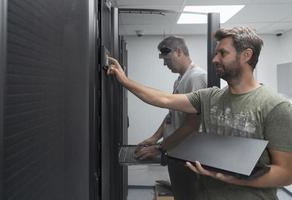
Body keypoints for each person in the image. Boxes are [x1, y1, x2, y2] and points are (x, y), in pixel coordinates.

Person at [107, 26, 292, 199]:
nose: (215, 59)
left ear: (246, 55)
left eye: (223, 53)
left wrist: (232, 178)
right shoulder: (210, 97)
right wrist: (124, 80)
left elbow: (286, 173)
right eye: (216, 53)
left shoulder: (275, 106)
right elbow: (163, 100)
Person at [133, 36, 207, 200]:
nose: (165, 64)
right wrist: (154, 138)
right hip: (176, 152)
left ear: (179, 52)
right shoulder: (180, 80)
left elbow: (192, 125)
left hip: (189, 157)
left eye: (167, 59)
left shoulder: (196, 78)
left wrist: (160, 148)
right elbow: (171, 114)